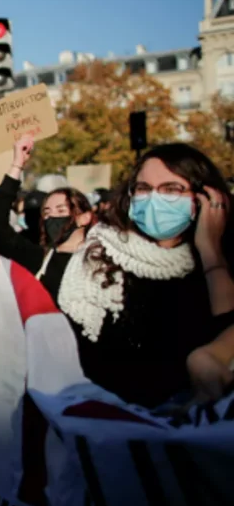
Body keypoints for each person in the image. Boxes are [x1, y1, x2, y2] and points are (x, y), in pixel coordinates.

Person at [57, 143, 234, 408]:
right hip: (119, 422)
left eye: (171, 189)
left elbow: (227, 334)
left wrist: (210, 250)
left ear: (204, 198)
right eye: (143, 189)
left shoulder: (221, 255)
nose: (153, 199)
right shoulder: (101, 253)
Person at [0, 135, 94, 301]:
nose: (53, 217)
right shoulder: (38, 257)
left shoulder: (103, 259)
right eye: (47, 212)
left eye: (61, 210)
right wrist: (17, 165)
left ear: (84, 218)